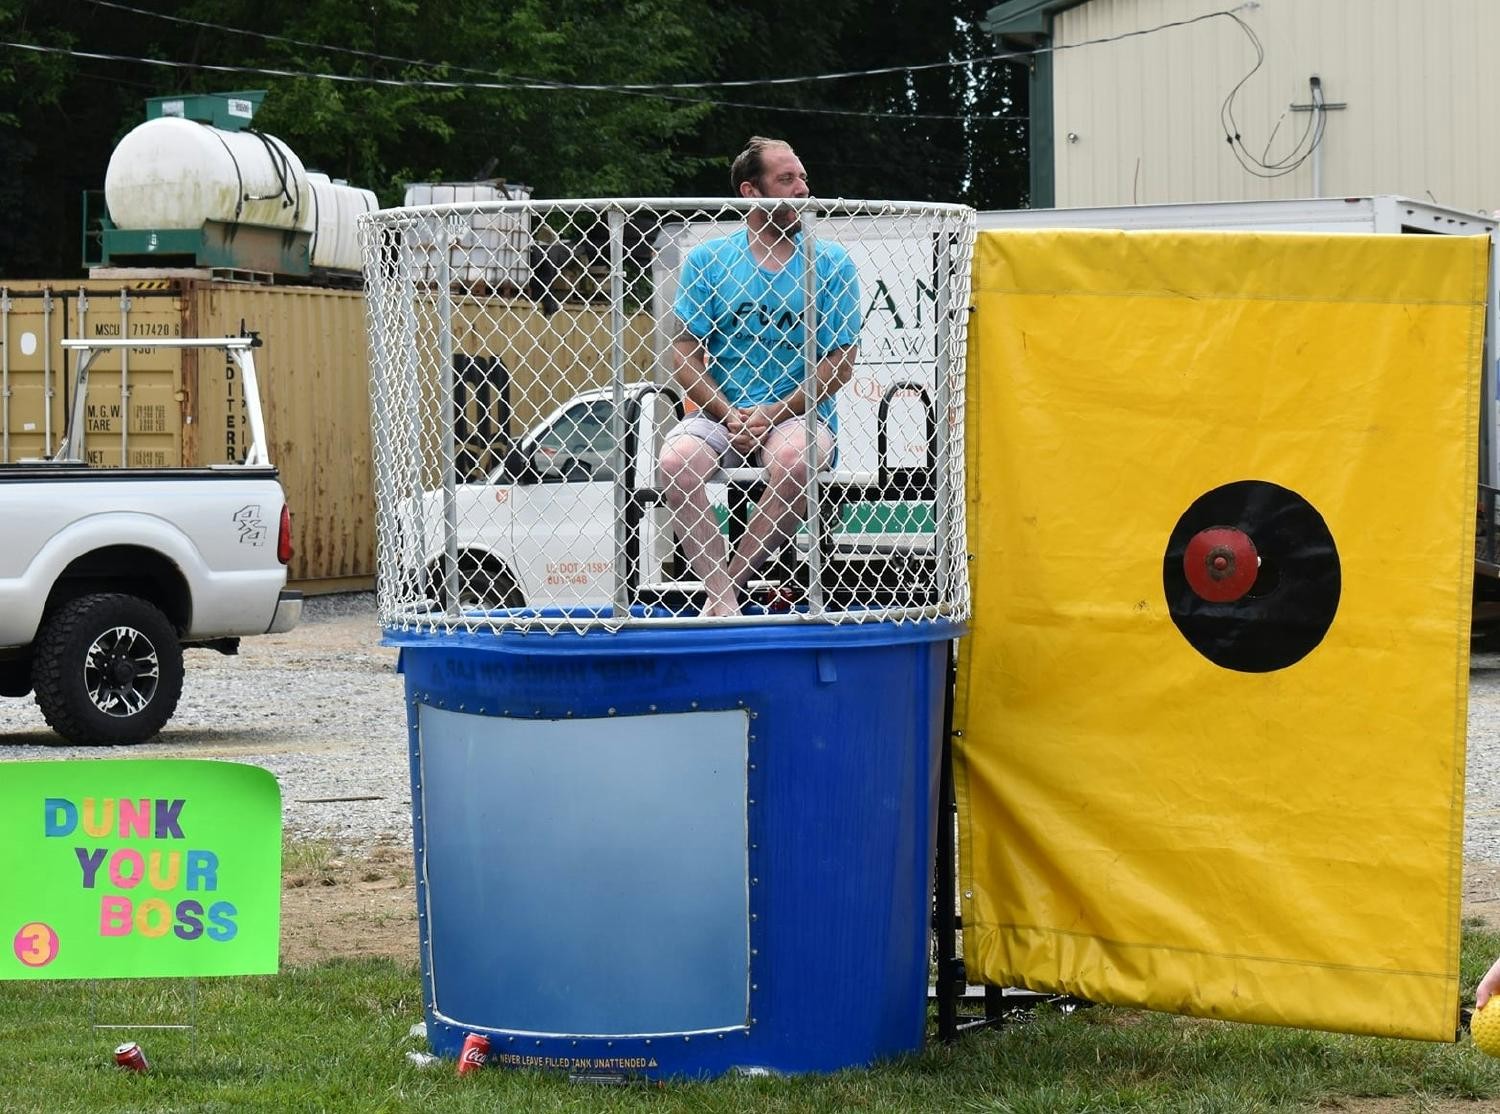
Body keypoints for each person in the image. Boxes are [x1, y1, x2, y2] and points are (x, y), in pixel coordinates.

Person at [657, 136, 862, 617]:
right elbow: (683, 355)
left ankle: (726, 590)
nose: (801, 190)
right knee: (675, 461)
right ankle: (724, 601)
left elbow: (839, 364)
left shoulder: (830, 263)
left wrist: (771, 413)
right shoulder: (709, 261)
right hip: (724, 412)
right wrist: (731, 415)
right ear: (752, 191)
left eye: (803, 178)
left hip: (798, 413)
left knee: (795, 459)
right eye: (786, 179)